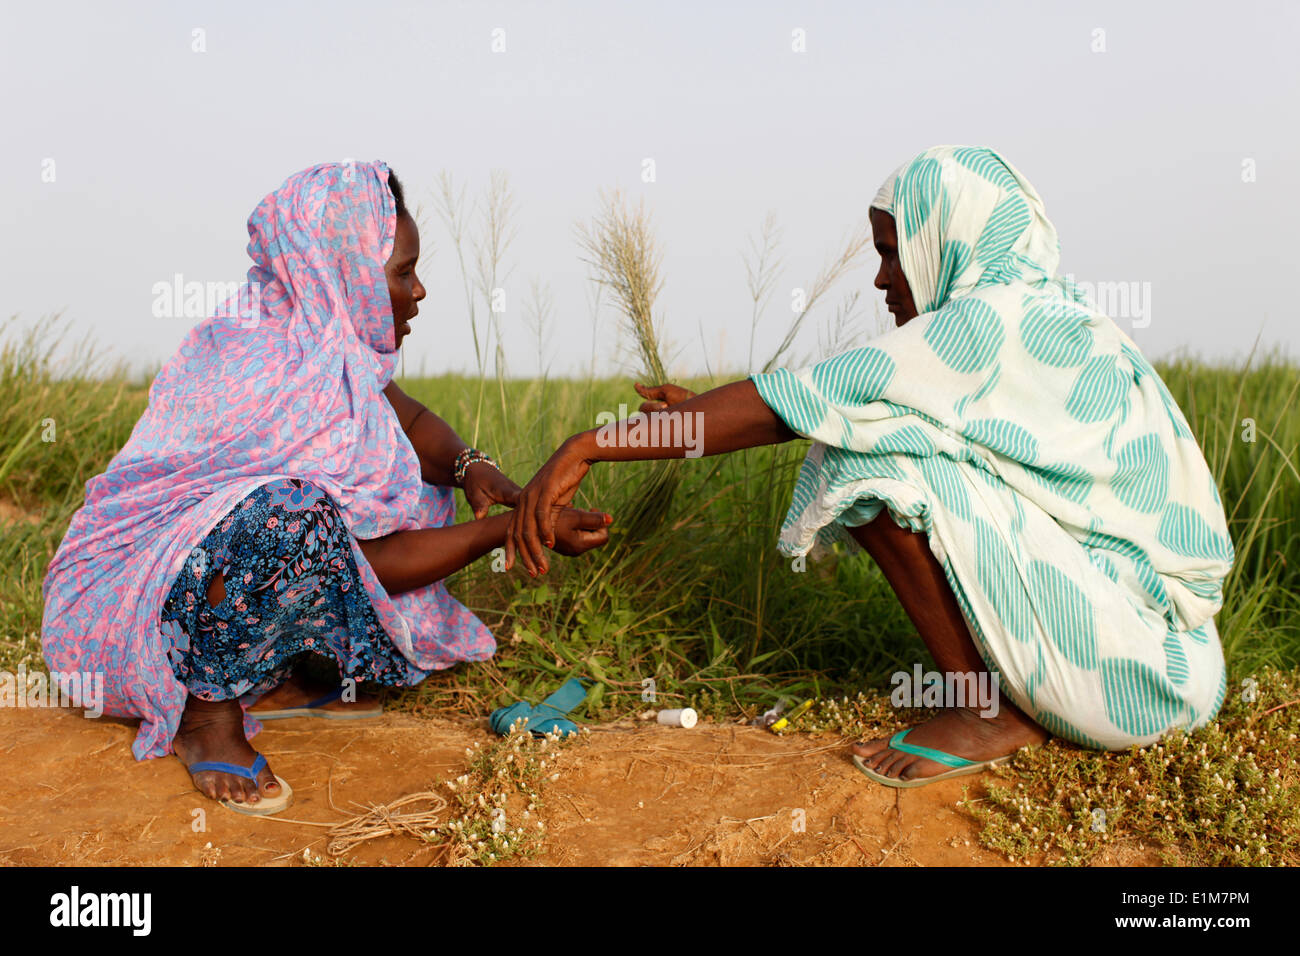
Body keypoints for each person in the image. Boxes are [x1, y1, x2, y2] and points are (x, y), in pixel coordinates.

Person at [507, 145, 1233, 787]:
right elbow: (838, 402)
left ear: (945, 238)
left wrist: (589, 444)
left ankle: (984, 715)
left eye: (893, 250)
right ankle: (1002, 701)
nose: (884, 279)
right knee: (877, 428)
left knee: (860, 453)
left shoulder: (985, 322)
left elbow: (803, 405)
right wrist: (707, 410)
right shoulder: (1051, 314)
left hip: (1136, 676)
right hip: (1179, 666)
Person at [41, 161, 611, 813]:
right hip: (128, 615)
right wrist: (500, 529)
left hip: (211, 597)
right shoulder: (255, 357)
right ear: (342, 273)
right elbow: (333, 556)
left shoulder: (329, 346)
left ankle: (284, 674)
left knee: (342, 504)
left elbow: (410, 418)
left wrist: (470, 468)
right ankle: (204, 714)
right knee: (290, 513)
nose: (419, 291)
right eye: (402, 272)